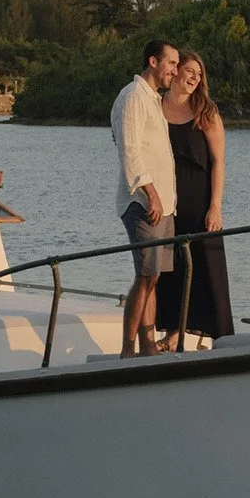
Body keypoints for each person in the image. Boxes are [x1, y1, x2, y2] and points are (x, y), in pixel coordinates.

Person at [156, 51, 232, 346]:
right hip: (166, 199)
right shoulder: (155, 106)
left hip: (200, 200)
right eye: (189, 70)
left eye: (199, 75)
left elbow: (219, 162)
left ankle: (221, 339)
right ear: (174, 72)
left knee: (207, 268)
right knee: (170, 268)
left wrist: (215, 207)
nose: (194, 78)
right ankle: (173, 335)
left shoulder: (206, 112)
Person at [110, 40, 179, 357]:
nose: (174, 72)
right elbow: (130, 151)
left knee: (154, 278)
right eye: (171, 64)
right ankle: (128, 350)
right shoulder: (133, 96)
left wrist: (165, 199)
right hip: (143, 203)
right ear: (153, 61)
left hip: (163, 204)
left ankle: (148, 346)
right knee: (146, 275)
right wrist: (151, 194)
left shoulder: (153, 99)